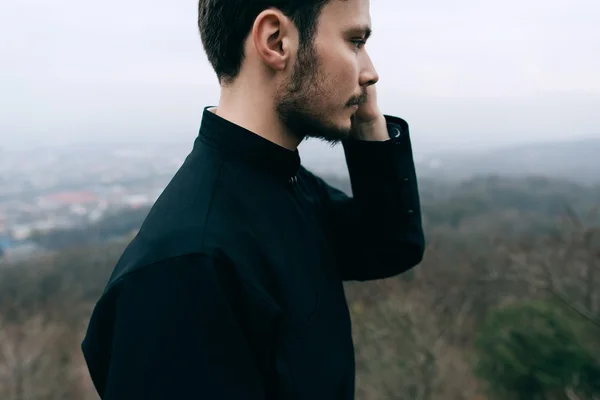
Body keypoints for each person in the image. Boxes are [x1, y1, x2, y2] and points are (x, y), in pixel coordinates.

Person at [81, 0, 425, 398]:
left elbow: (389, 246)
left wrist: (367, 122)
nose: (370, 72)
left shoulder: (286, 184)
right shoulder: (186, 266)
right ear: (276, 41)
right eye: (355, 41)